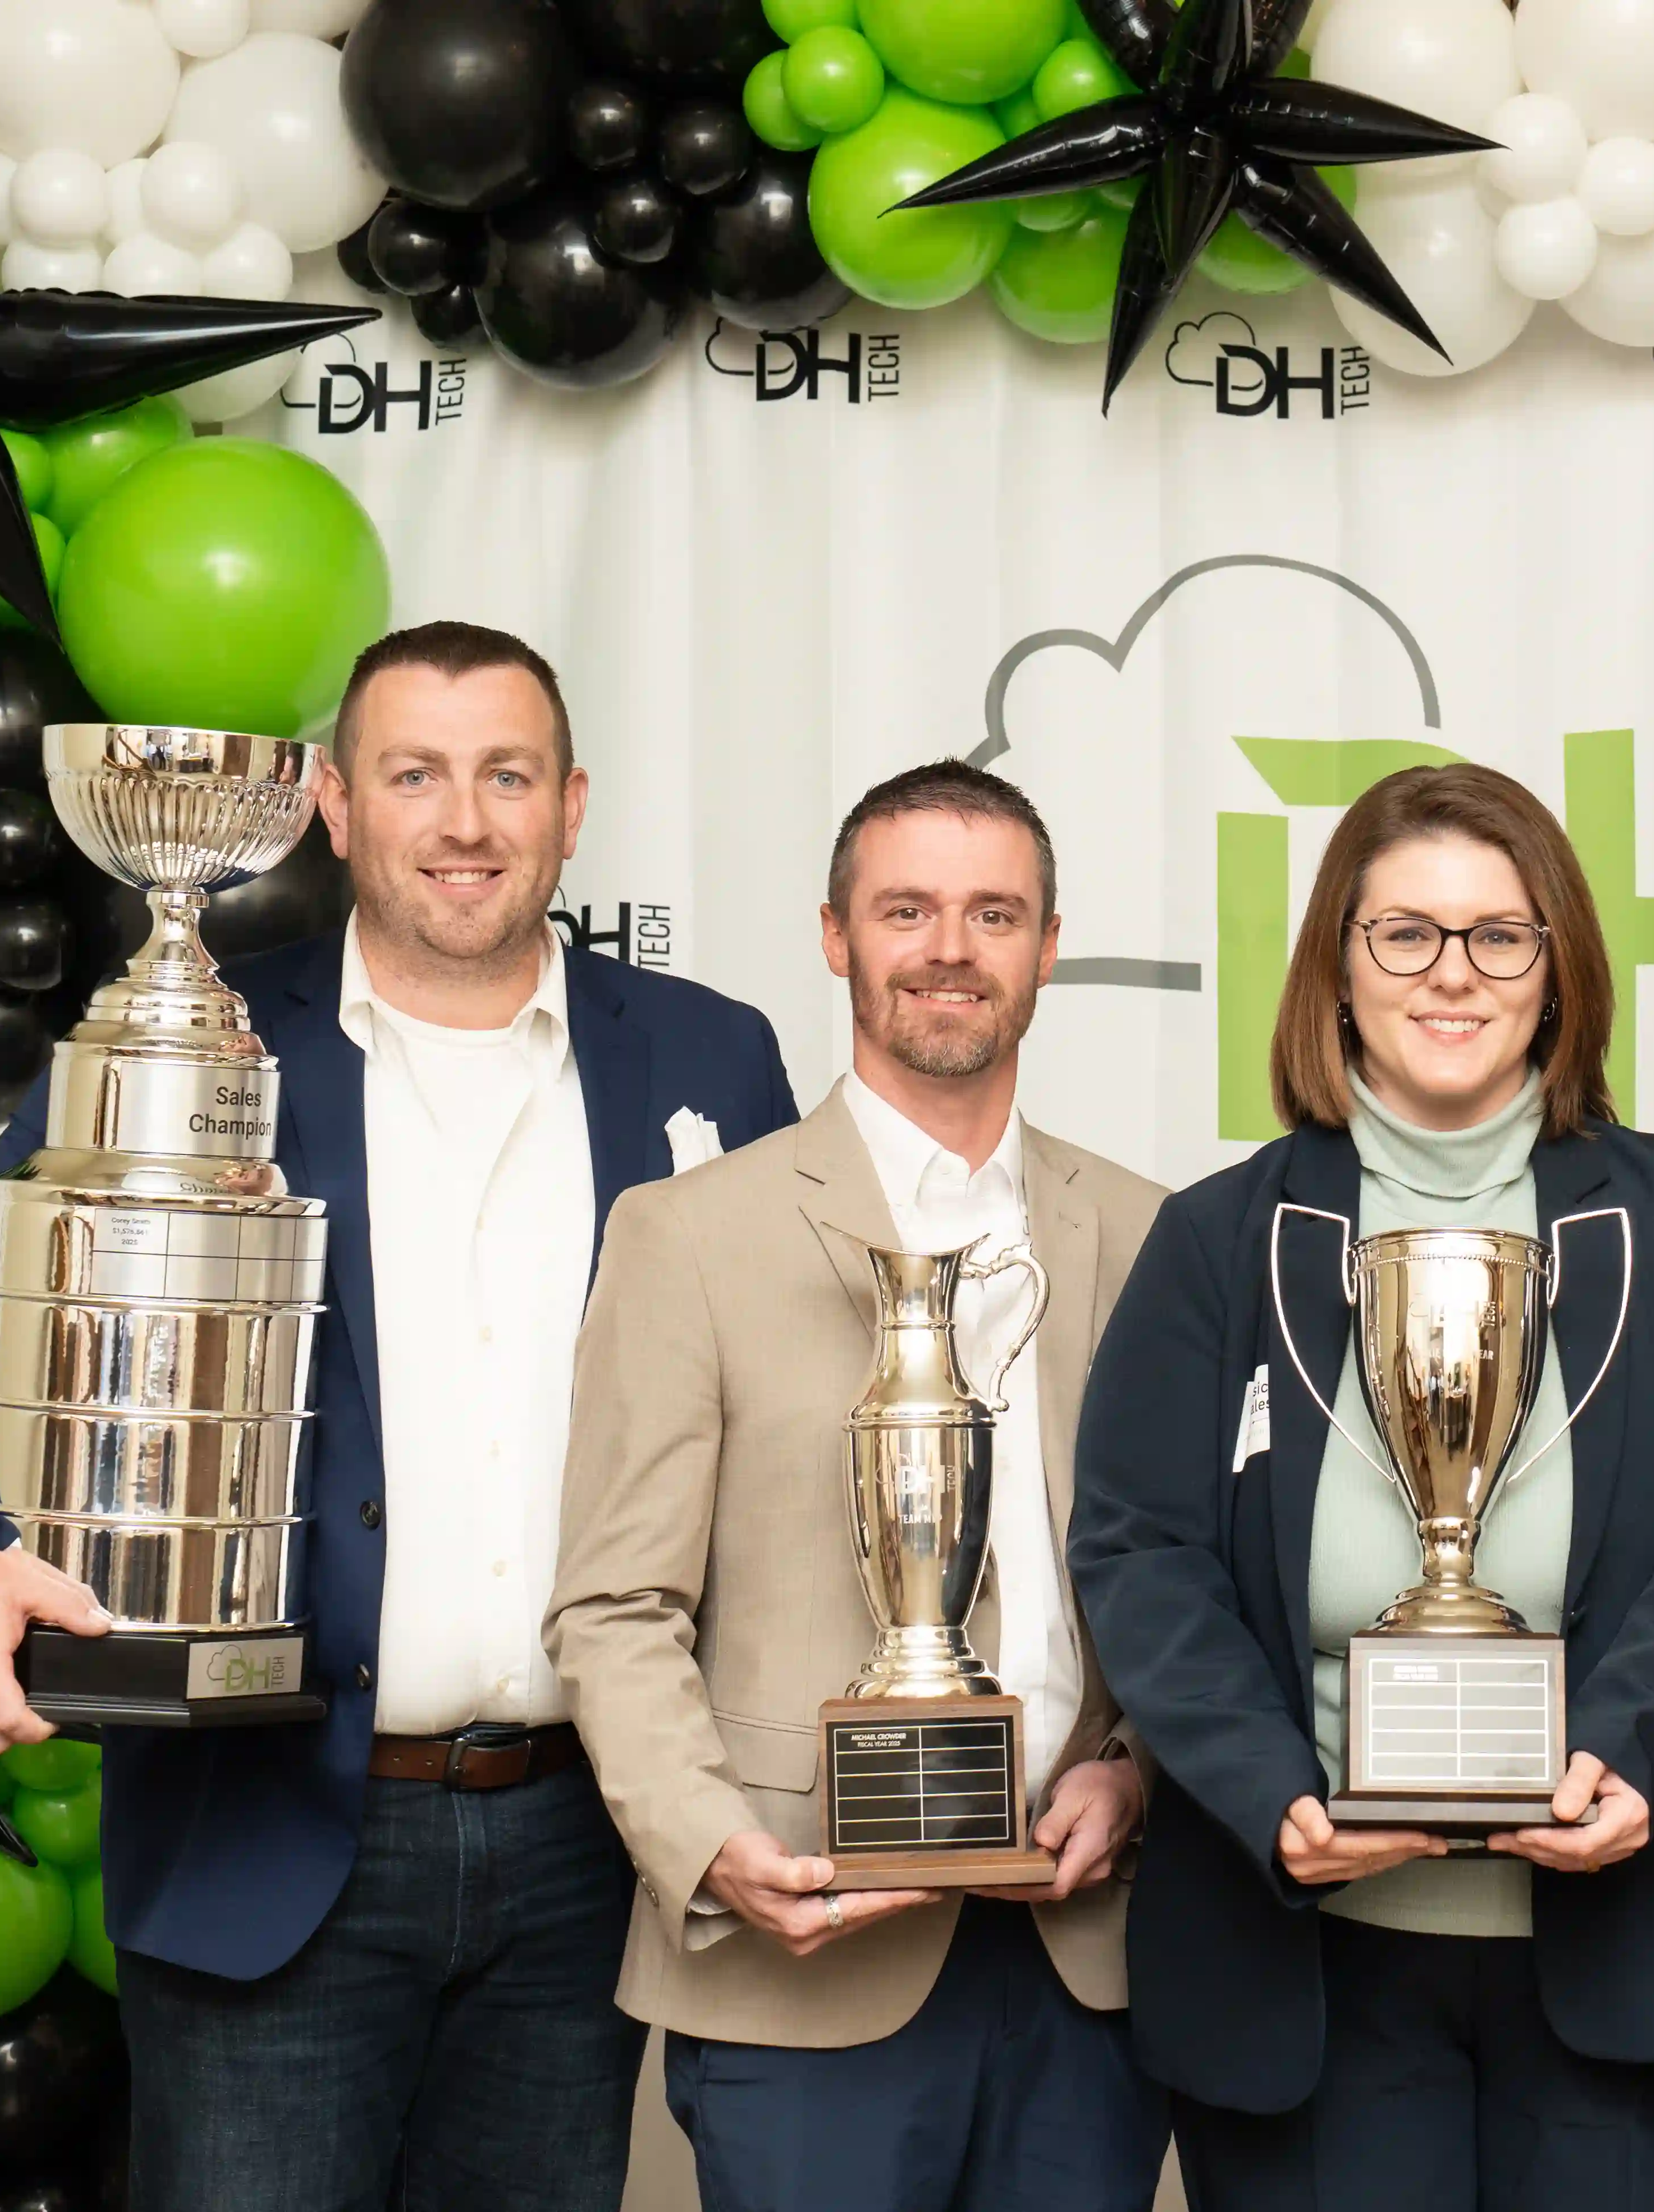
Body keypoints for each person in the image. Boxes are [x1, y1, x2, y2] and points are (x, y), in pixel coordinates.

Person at [0, 621, 799, 2210]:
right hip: (263, 1834)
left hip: (586, 1844)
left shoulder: (708, 1056)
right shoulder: (198, 1034)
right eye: (415, 774)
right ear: (336, 807)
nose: (465, 821)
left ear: (573, 804)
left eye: (507, 774)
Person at [1066, 764, 1654, 2212]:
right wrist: (1270, 1791)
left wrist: (1627, 1751)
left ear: (1558, 972)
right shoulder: (1220, 1238)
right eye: (1403, 933)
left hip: (1622, 1934)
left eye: (1500, 934)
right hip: (1301, 1949)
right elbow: (1138, 1547)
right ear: (1336, 970)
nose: (1452, 974)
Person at [547, 760, 1168, 2212]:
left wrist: (1136, 1777)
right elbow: (613, 1602)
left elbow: (1183, 1579)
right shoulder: (687, 1236)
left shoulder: (1148, 1233)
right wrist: (710, 1851)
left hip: (1084, 1963)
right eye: (907, 910)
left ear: (1047, 947)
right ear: (836, 937)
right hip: (809, 1955)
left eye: (993, 913)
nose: (950, 947)